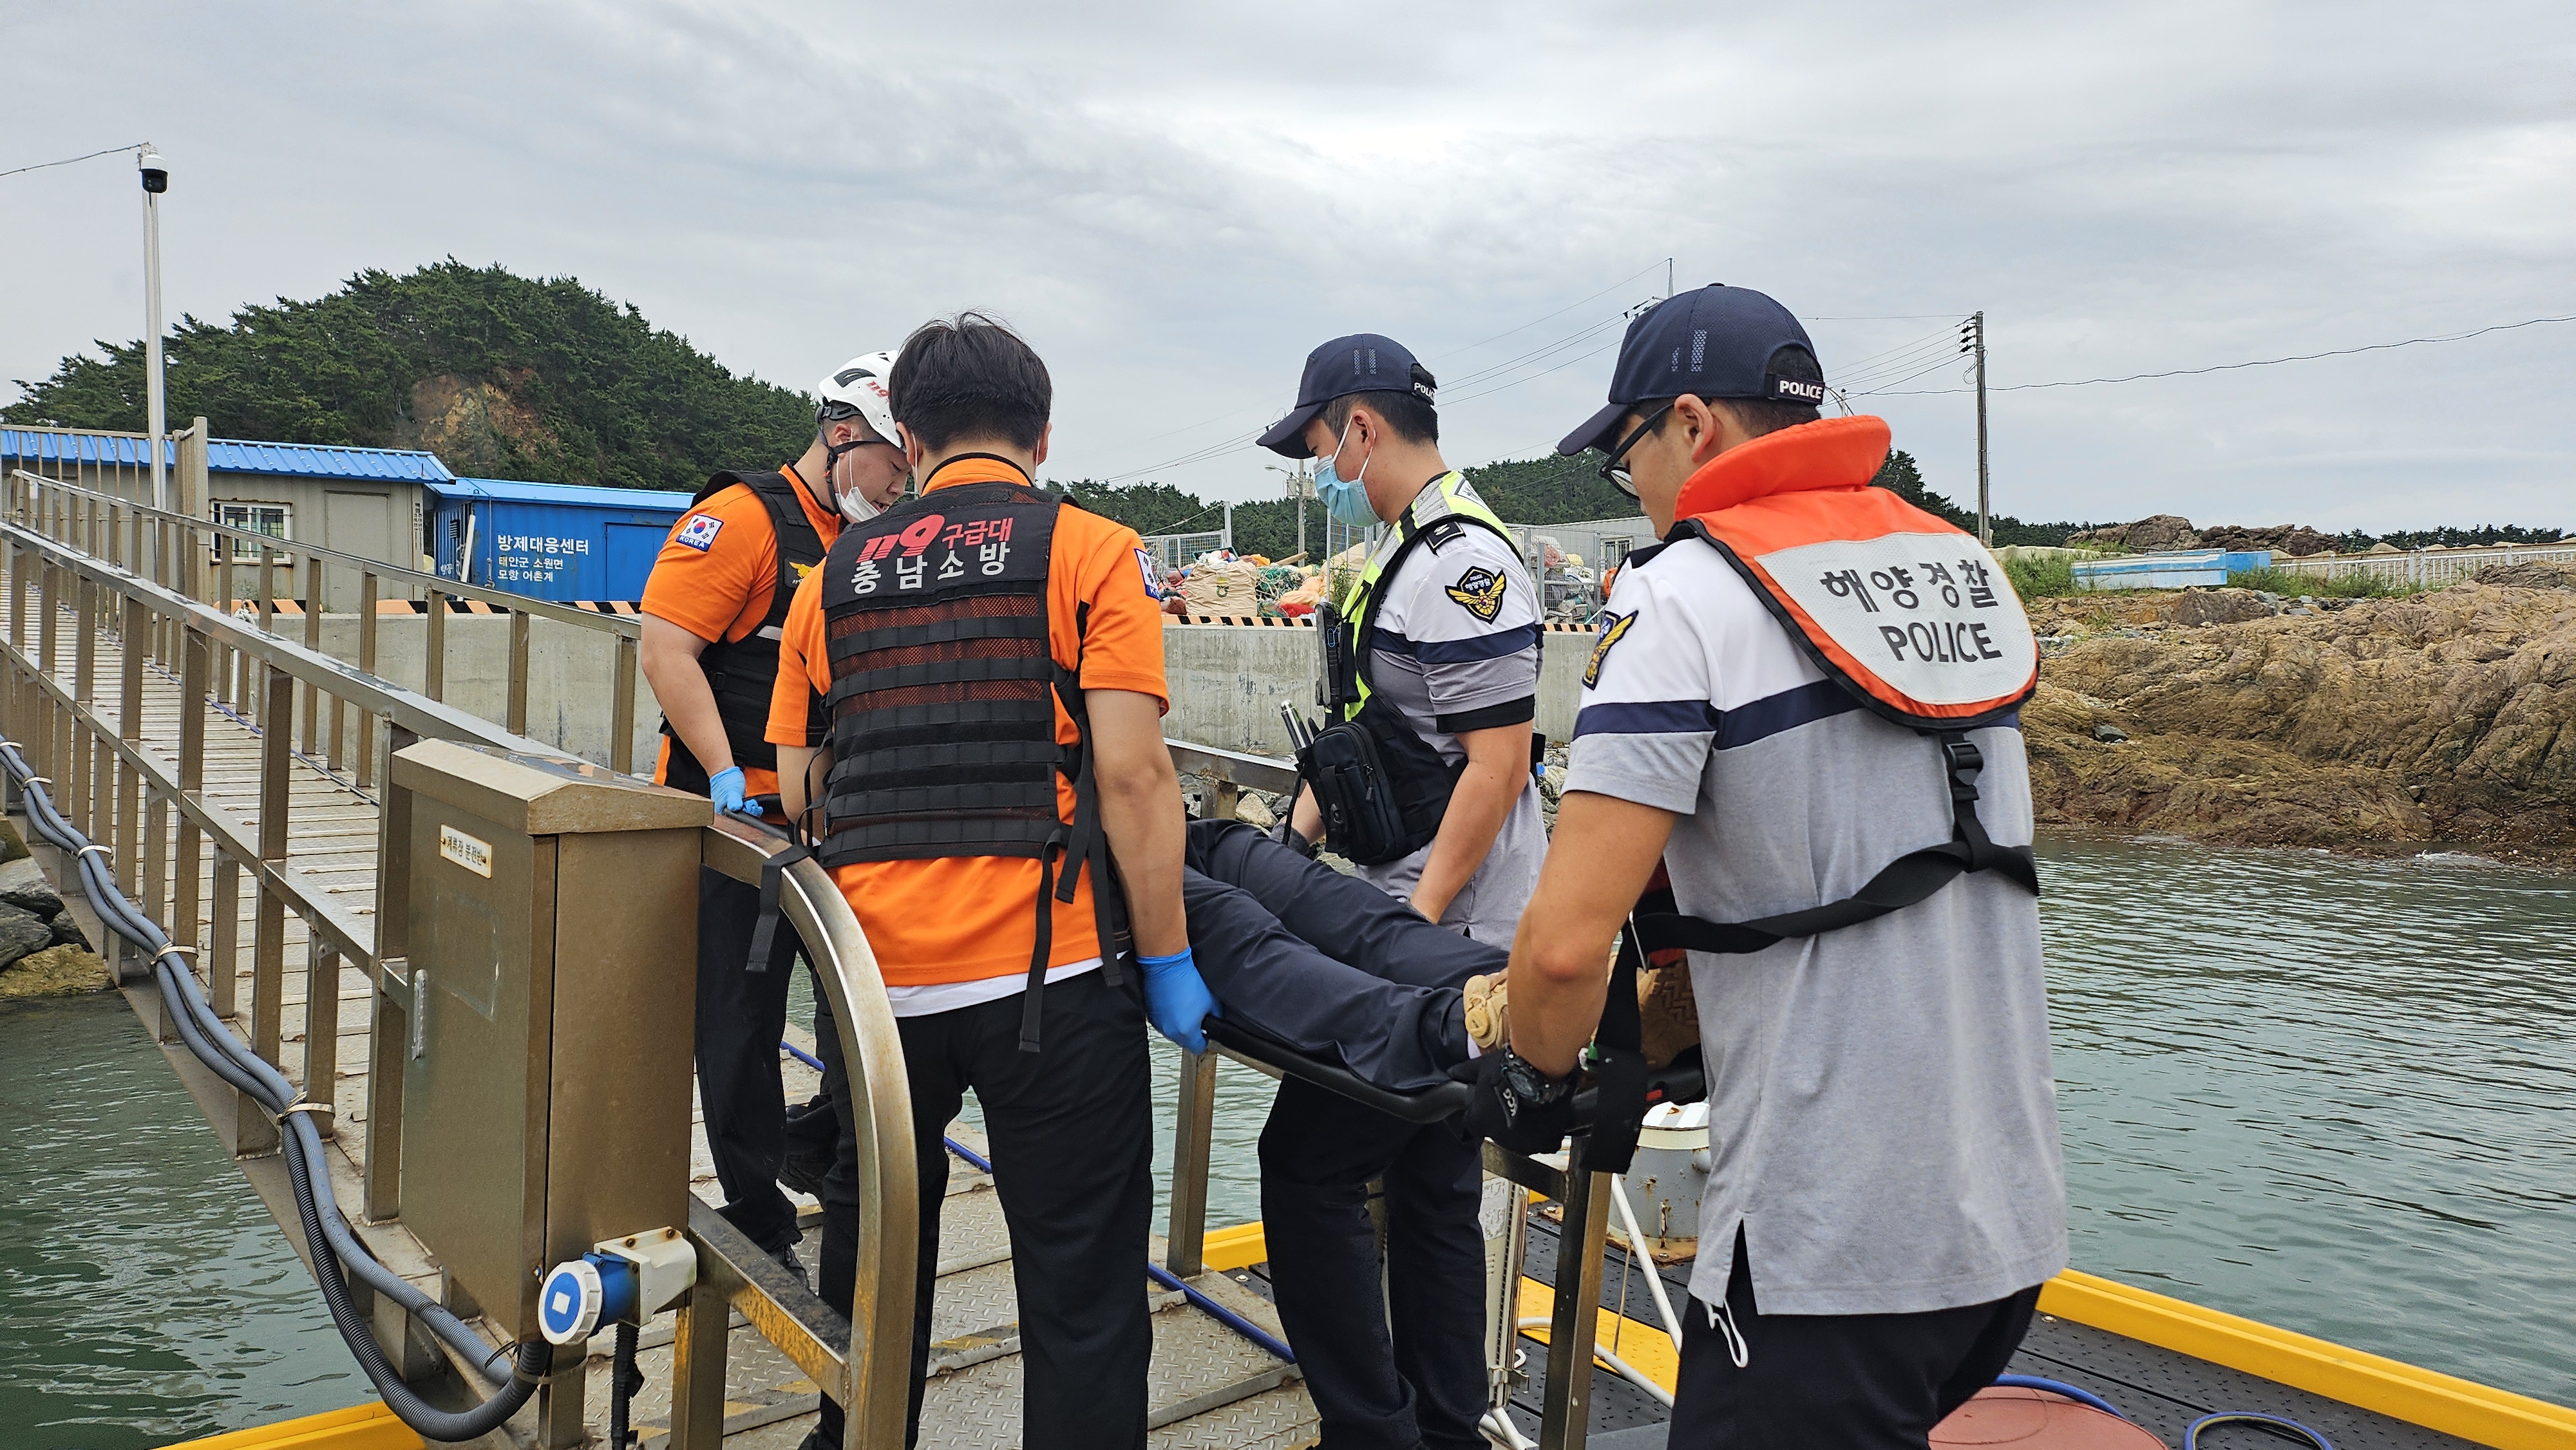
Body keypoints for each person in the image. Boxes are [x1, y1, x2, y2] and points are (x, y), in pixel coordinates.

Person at [1475, 284, 2069, 1447]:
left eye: (1628, 459)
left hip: (1827, 1251)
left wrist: (1529, 1081)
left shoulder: (1683, 594)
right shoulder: (1959, 566)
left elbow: (1562, 948)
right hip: (2005, 1222)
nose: (1639, 493)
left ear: (1693, 425)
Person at [768, 312, 1215, 1450]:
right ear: (1043, 437)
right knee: (1080, 1289)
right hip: (1052, 979)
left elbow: (799, 782)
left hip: (874, 991)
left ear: (911, 441)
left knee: (874, 1261)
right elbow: (1135, 777)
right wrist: (1168, 958)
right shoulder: (1092, 552)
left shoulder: (830, 580)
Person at [1251, 333, 1548, 1450]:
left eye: (1323, 447)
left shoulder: (1463, 567)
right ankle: (1442, 1426)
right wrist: (1291, 844)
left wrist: (1410, 935)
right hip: (1414, 911)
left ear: (1365, 428)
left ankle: (1373, 1429)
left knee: (1305, 1166)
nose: (1324, 470)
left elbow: (1497, 765)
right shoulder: (1404, 550)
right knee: (1431, 1182)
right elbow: (1377, 736)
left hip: (1447, 926)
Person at [638, 351, 909, 1277]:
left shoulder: (871, 539)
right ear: (841, 434)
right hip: (733, 815)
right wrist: (722, 772)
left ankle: (812, 1144)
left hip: (831, 816)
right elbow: (666, 648)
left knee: (857, 1007)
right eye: (892, 463)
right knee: (740, 1020)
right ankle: (759, 1216)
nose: (900, 484)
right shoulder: (742, 520)